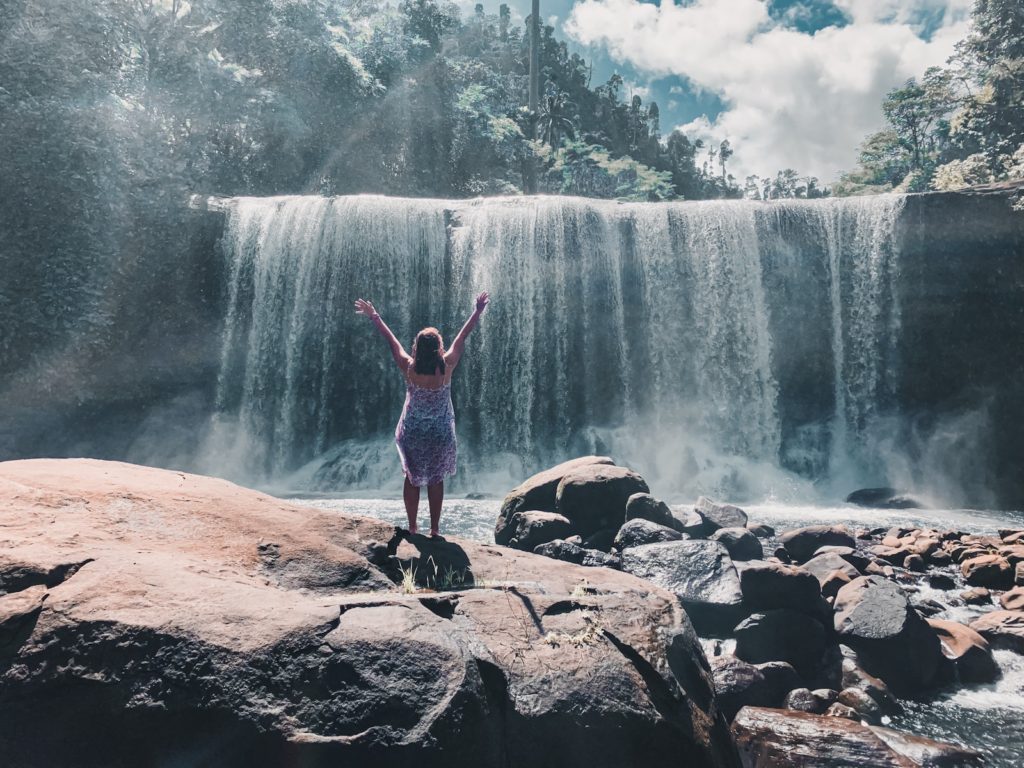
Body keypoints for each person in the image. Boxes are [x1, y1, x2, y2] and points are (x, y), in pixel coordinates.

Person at [354, 292, 490, 537]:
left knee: (412, 477)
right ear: (438, 348)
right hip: (440, 433)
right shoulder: (447, 365)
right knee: (436, 479)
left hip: (413, 432)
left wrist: (374, 316)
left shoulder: (409, 368)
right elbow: (462, 336)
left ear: (417, 348)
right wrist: (477, 311)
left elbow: (391, 341)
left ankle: (413, 528)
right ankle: (435, 530)